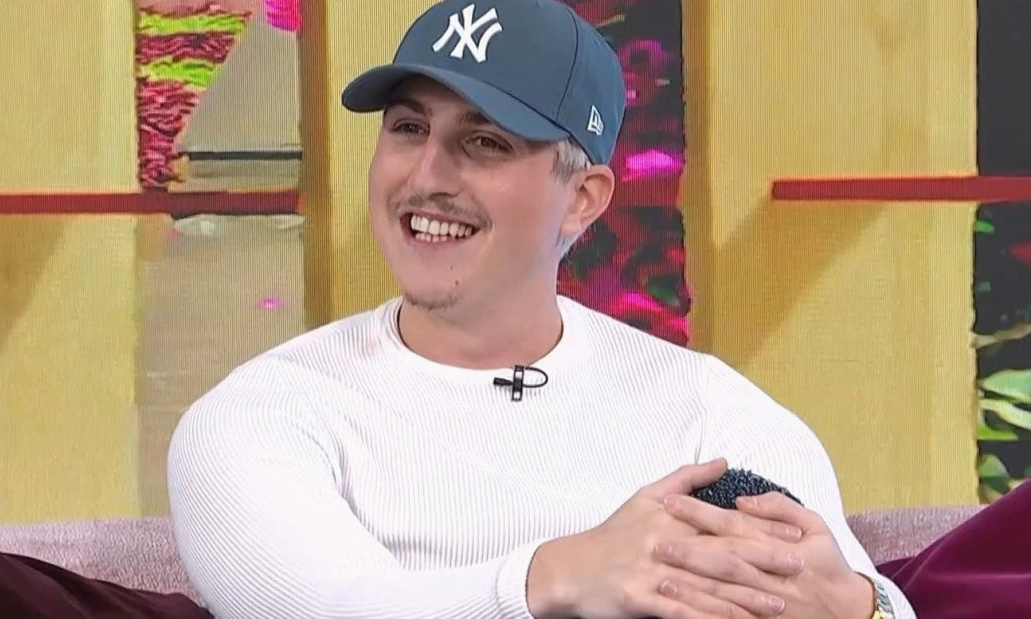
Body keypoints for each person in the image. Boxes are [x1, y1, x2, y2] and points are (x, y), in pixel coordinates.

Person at [164, 1, 911, 618]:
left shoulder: (709, 412)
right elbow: (328, 606)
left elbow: (868, 598)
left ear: (582, 199)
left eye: (484, 142)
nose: (427, 176)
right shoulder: (265, 414)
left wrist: (855, 606)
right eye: (409, 129)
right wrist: (558, 575)